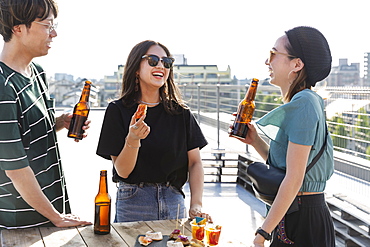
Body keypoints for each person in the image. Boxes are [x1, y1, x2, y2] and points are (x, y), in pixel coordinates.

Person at [232, 26, 335, 246]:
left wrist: (263, 233)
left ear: (296, 64)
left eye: (273, 54)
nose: (267, 62)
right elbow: (292, 167)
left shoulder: (304, 103)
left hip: (301, 219)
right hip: (300, 214)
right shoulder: (307, 100)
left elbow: (295, 178)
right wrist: (256, 142)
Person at [96, 40, 212, 223]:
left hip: (174, 200)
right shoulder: (117, 110)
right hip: (134, 200)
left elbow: (195, 163)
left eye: (166, 62)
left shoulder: (181, 113)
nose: (161, 66)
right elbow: (123, 171)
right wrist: (133, 139)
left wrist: (196, 204)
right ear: (136, 68)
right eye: (153, 60)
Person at [0, 0, 91, 229]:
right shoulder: (3, 85)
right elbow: (15, 168)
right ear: (18, 28)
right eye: (47, 25)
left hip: (49, 212)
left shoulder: (37, 73)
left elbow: (24, 131)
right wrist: (57, 217)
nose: (55, 33)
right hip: (20, 222)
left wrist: (59, 122)